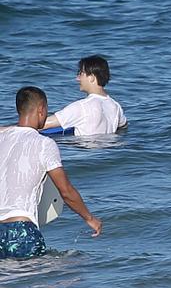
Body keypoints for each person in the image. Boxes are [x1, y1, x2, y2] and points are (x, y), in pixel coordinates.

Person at [1, 87, 102, 259]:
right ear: (41, 109)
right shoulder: (44, 144)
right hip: (21, 230)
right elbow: (66, 191)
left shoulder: (2, 138)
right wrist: (90, 218)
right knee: (70, 268)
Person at [43, 55, 127, 136]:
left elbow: (42, 124)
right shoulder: (115, 106)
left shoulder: (82, 107)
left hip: (85, 145)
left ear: (91, 77)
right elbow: (123, 126)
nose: (77, 78)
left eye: (80, 73)